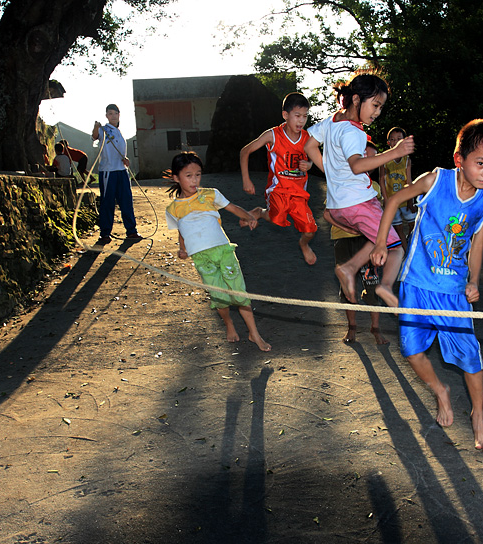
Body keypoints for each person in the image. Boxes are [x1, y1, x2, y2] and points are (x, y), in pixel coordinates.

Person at [371, 119, 483, 451]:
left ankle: (478, 414)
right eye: (481, 163)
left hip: (453, 291)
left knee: (470, 358)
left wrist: (474, 281)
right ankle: (440, 392)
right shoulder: (435, 180)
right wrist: (380, 244)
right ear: (459, 159)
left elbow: (477, 245)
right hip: (417, 283)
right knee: (413, 351)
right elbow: (392, 202)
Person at [305, 71, 414, 307]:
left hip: (337, 207)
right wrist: (394, 152)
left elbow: (309, 144)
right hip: (359, 203)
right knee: (396, 250)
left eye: (381, 107)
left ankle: (349, 267)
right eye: (375, 105)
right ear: (356, 99)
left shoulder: (333, 121)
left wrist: (330, 172)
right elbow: (357, 165)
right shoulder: (354, 132)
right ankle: (384, 287)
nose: (377, 112)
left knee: (378, 239)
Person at [165, 152, 271, 352]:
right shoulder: (173, 209)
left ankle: (254, 333)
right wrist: (182, 248)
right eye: (189, 175)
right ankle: (229, 324)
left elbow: (232, 207)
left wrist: (249, 217)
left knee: (239, 293)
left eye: (198, 174)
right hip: (201, 258)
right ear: (176, 178)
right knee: (219, 296)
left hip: (223, 251)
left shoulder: (210, 194)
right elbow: (181, 230)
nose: (195, 180)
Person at [240, 92, 318, 265]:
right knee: (276, 219)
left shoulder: (307, 138)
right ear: (285, 115)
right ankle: (260, 212)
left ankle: (303, 244)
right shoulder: (273, 135)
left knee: (310, 231)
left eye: (305, 116)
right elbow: (245, 151)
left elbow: (316, 158)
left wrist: (310, 164)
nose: (301, 121)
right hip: (278, 190)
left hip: (299, 194)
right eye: (297, 116)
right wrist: (246, 179)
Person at [327, 141, 388, 345]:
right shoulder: (339, 183)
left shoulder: (376, 188)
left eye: (374, 159)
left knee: (372, 285)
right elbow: (327, 214)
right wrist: (351, 228)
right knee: (348, 285)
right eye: (366, 157)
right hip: (343, 239)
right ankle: (351, 328)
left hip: (368, 243)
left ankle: (375, 328)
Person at [92, 104, 140, 245]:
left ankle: (131, 231)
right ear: (106, 116)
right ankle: (105, 234)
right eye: (110, 113)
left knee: (126, 201)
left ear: (119, 115)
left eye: (115, 113)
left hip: (122, 171)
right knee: (108, 203)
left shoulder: (119, 132)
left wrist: (126, 159)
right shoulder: (104, 130)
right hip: (108, 171)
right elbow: (95, 136)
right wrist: (96, 127)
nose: (113, 116)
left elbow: (120, 152)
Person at [380, 127, 416, 248]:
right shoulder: (384, 158)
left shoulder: (406, 160)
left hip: (405, 198)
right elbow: (382, 179)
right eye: (393, 140)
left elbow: (409, 180)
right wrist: (385, 199)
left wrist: (411, 200)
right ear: (388, 142)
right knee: (398, 228)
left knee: (413, 224)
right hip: (392, 200)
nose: (395, 142)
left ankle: (411, 245)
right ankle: (405, 251)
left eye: (399, 139)